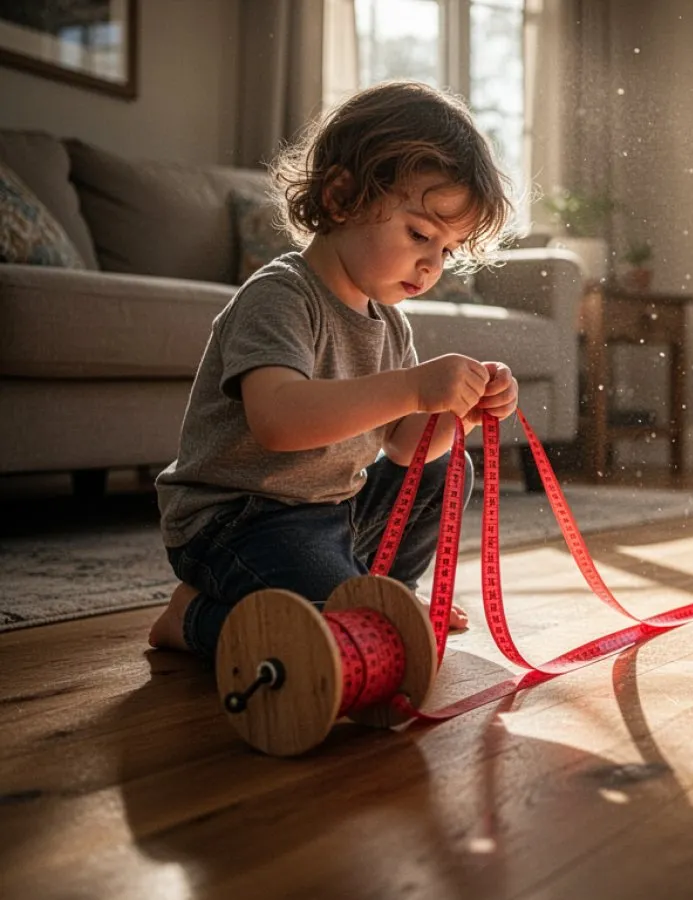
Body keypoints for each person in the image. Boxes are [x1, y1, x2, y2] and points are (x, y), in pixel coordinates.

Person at [148, 80, 518, 661]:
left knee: (447, 471)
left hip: (330, 512)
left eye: (446, 250)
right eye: (420, 234)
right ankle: (190, 617)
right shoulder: (280, 295)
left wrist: (455, 412)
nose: (431, 265)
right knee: (334, 636)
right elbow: (278, 420)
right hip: (238, 520)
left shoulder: (391, 325)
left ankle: (391, 593)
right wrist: (413, 386)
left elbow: (402, 448)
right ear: (343, 197)